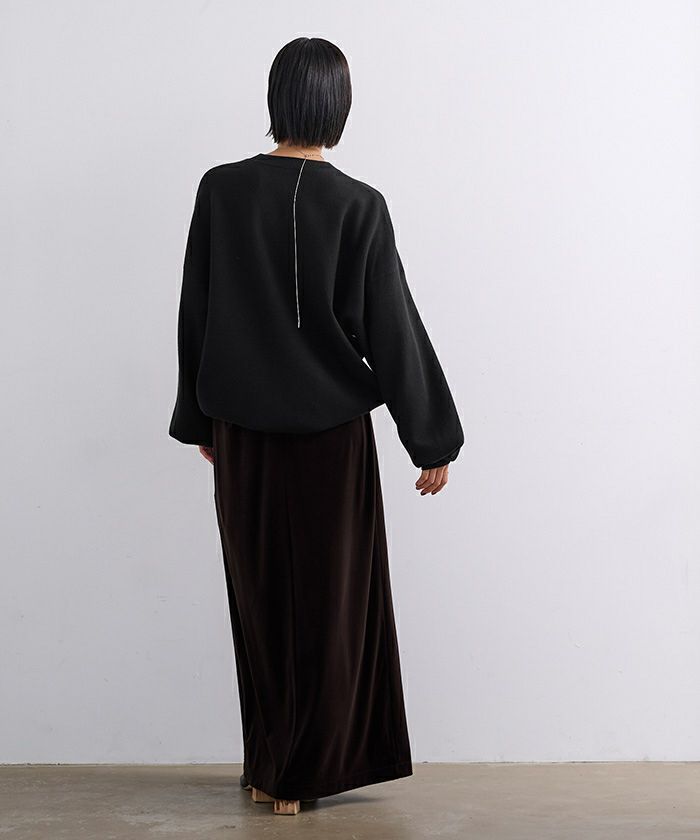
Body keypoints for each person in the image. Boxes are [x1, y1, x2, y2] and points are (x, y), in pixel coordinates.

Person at [168, 36, 464, 815]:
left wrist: (200, 419)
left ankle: (273, 767)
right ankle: (297, 773)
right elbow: (390, 327)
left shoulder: (221, 190)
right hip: (333, 441)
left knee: (262, 600)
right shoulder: (359, 204)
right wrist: (431, 437)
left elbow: (198, 309)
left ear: (277, 98)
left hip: (243, 436)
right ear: (339, 105)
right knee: (331, 609)